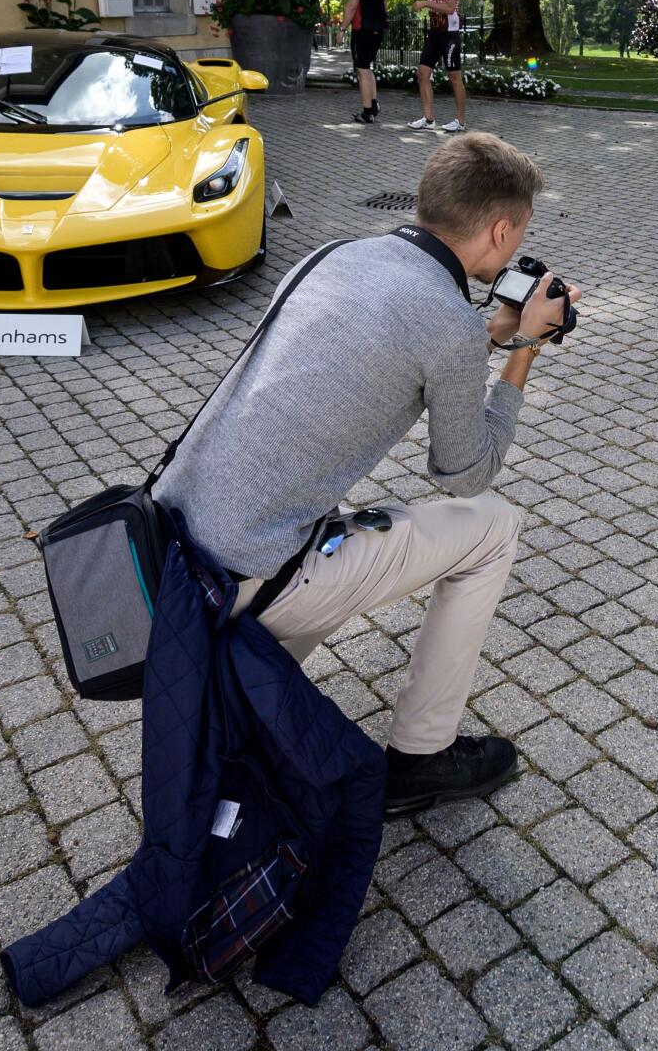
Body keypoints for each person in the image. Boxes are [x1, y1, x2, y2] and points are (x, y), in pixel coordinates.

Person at [154, 133, 579, 817]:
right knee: (493, 526)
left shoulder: (335, 256)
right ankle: (421, 757)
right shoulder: (449, 324)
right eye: (519, 231)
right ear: (502, 231)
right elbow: (466, 474)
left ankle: (246, 694)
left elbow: (418, 337)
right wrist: (525, 345)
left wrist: (491, 332)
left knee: (336, 521)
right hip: (247, 577)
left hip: (172, 547)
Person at [409, 0, 467, 132]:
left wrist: (426, 2)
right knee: (422, 74)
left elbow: (450, 8)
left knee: (454, 76)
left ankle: (460, 121)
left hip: (449, 34)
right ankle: (428, 119)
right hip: (435, 33)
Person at [344, 0, 388, 123]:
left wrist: (342, 27)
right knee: (368, 67)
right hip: (378, 29)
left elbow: (353, 5)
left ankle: (367, 112)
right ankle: (374, 103)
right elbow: (384, 5)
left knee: (362, 70)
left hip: (362, 29)